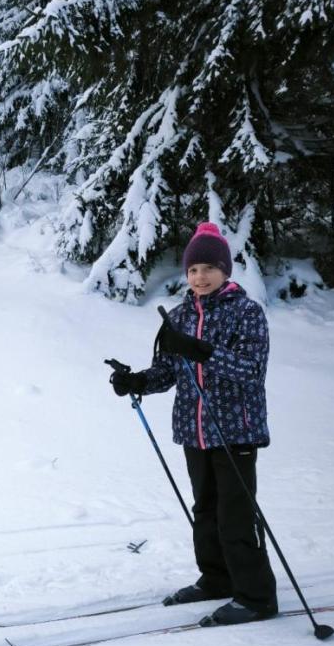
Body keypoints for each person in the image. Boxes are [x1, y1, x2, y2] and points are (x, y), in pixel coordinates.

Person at [109, 222, 278, 625]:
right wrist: (137, 381)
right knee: (205, 511)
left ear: (225, 270)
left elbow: (251, 370)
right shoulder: (180, 316)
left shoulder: (247, 313)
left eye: (209, 268)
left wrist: (201, 350)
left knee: (236, 516)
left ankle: (256, 598)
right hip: (194, 431)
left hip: (236, 431)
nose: (200, 277)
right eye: (193, 270)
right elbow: (168, 372)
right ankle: (217, 579)